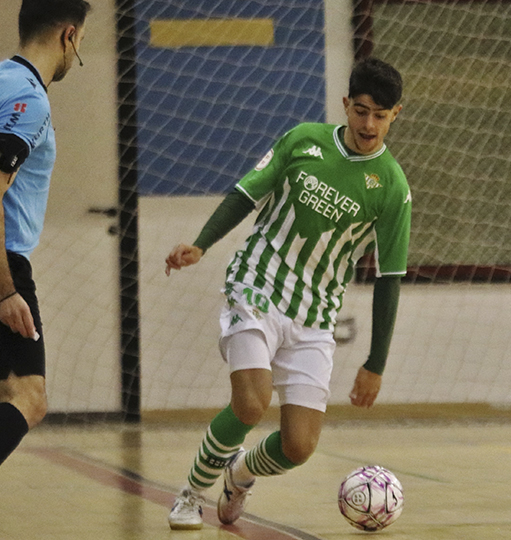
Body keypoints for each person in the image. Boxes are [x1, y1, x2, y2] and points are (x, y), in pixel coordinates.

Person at [164, 57, 411, 530]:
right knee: (251, 403)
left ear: (395, 114)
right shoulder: (304, 140)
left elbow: (390, 277)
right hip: (256, 285)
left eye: (380, 116)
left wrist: (376, 363)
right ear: (346, 104)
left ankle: (239, 474)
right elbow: (246, 193)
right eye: (361, 111)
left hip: (315, 313)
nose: (368, 125)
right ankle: (191, 495)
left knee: (299, 446)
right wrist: (201, 243)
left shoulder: (393, 188)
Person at [0, 0, 90, 467]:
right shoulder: (29, 99)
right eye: (80, 42)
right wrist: (5, 290)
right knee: (28, 397)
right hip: (5, 260)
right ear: (68, 36)